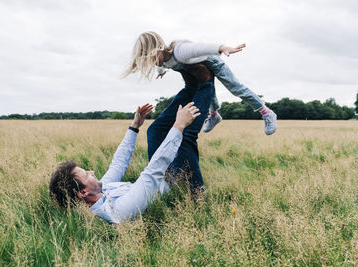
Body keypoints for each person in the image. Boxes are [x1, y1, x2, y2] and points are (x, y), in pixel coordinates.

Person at [50, 64, 215, 224]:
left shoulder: (100, 191)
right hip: (173, 181)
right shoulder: (120, 210)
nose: (92, 171)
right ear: (83, 193)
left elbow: (118, 164)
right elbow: (152, 172)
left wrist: (134, 127)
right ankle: (206, 82)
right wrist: (178, 125)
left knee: (154, 131)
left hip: (162, 176)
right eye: (86, 175)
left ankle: (191, 86)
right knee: (185, 136)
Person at [123, 31, 277, 135]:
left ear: (159, 49)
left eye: (152, 58)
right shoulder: (161, 61)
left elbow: (200, 48)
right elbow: (160, 65)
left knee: (236, 89)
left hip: (214, 62)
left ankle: (266, 112)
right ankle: (214, 115)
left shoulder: (180, 51)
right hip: (200, 71)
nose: (153, 63)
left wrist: (222, 48)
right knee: (206, 92)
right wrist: (160, 72)